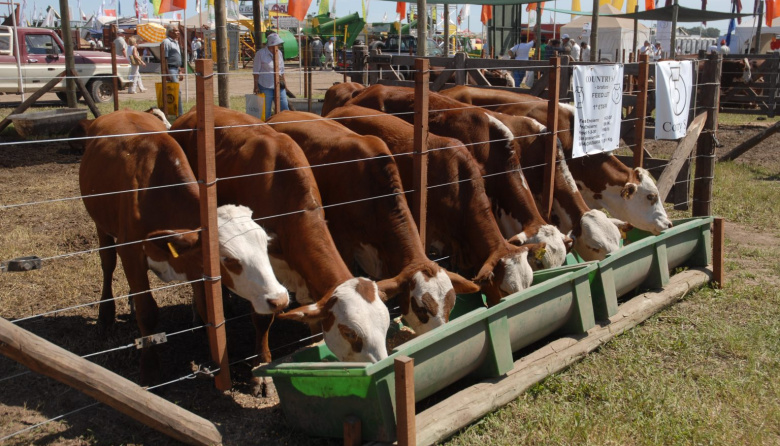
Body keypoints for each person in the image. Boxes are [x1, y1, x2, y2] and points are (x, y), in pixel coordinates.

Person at [253, 32, 289, 119]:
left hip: (279, 85)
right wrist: (256, 86)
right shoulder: (260, 54)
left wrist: (284, 83)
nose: (279, 45)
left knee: (285, 107)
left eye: (279, 44)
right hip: (265, 85)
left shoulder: (279, 53)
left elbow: (282, 70)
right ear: (271, 44)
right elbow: (256, 71)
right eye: (278, 44)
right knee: (266, 111)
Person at [162, 25, 184, 116]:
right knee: (176, 92)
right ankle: (179, 113)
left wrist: (180, 71)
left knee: (175, 91)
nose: (178, 32)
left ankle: (175, 112)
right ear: (170, 32)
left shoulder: (176, 42)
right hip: (170, 69)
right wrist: (167, 73)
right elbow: (165, 58)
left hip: (176, 69)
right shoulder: (166, 42)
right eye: (176, 31)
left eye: (178, 31)